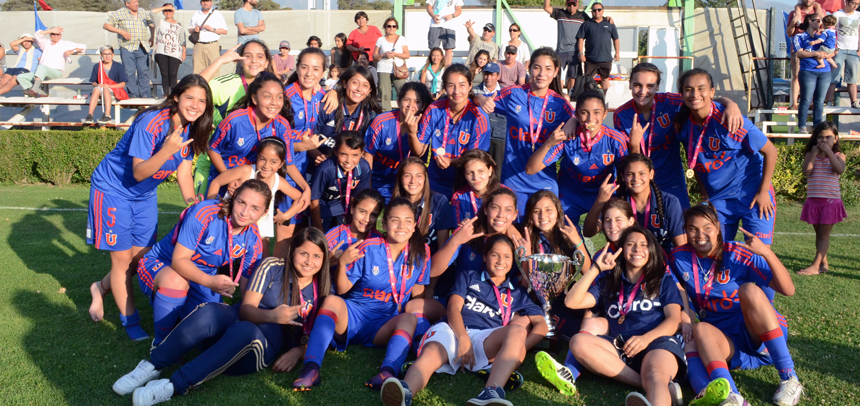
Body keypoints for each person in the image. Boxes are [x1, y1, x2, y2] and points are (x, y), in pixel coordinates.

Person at [113, 228, 331, 406]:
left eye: (316, 256)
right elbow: (246, 309)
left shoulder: (322, 291)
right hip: (238, 320)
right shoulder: (273, 267)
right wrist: (274, 315)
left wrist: (298, 351)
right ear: (292, 252)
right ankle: (152, 365)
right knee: (211, 309)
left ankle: (173, 385)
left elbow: (323, 336)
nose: (309, 261)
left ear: (324, 259)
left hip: (257, 347)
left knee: (245, 331)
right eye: (303, 253)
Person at [86, 75, 213, 341]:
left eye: (202, 101)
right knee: (121, 260)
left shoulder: (189, 128)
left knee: (140, 258)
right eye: (189, 97)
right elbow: (140, 171)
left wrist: (192, 205)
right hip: (113, 191)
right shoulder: (151, 122)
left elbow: (183, 172)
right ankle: (130, 321)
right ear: (176, 96)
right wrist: (167, 149)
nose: (196, 105)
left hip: (143, 196)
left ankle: (99, 287)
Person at [382, 234, 548, 406]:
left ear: (513, 261)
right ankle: (405, 392)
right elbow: (453, 308)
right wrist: (462, 337)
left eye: (507, 256)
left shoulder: (517, 293)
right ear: (484, 256)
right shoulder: (469, 276)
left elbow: (541, 325)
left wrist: (518, 349)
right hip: (453, 330)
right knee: (431, 353)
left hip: (485, 340)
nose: (500, 261)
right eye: (494, 255)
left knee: (518, 330)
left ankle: (490, 393)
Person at [292, 197, 432, 391]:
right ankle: (311, 368)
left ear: (415, 225)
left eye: (408, 220)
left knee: (408, 318)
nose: (402, 226)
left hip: (384, 323)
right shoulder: (368, 247)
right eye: (394, 220)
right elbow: (342, 290)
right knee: (332, 300)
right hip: (354, 316)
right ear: (384, 223)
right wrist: (341, 264)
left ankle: (387, 372)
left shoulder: (422, 253)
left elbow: (418, 293)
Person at [670, 203, 802, 406]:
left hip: (759, 335)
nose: (700, 234)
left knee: (749, 290)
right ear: (685, 231)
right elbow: (677, 288)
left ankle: (789, 377)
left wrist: (766, 253)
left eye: (707, 227)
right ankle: (733, 397)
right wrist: (686, 316)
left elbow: (789, 289)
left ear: (717, 228)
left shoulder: (737, 252)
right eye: (692, 229)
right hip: (726, 343)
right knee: (700, 328)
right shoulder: (680, 257)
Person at [548, 226, 685, 406]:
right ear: (621, 249)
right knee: (578, 341)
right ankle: (647, 384)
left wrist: (645, 339)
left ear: (651, 250)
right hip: (620, 346)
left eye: (644, 245)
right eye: (630, 244)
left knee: (654, 374)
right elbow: (572, 302)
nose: (637, 249)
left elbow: (674, 319)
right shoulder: (609, 282)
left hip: (657, 342)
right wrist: (596, 268)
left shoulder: (662, 280)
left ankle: (655, 386)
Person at [135, 180, 266, 347]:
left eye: (255, 208)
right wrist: (210, 282)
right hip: (164, 263)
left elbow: (247, 288)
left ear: (264, 212)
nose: (245, 212)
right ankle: (161, 344)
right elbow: (179, 261)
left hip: (203, 275)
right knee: (176, 282)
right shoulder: (205, 212)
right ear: (234, 197)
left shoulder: (253, 238)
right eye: (241, 202)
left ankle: (176, 313)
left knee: (213, 327)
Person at [612, 62, 744, 208]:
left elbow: (700, 100)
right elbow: (629, 162)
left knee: (680, 226)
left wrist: (730, 103)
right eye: (637, 85)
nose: (643, 91)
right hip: (640, 182)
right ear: (629, 84)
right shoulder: (621, 114)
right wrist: (635, 145)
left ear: (657, 86)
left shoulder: (671, 102)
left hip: (672, 180)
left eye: (650, 86)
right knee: (642, 227)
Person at [673, 69, 779, 245]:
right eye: (689, 89)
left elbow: (771, 151)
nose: (695, 94)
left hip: (752, 193)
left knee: (759, 254)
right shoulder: (683, 125)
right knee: (713, 252)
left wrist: (763, 191)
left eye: (701, 88)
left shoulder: (731, 118)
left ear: (712, 92)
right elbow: (695, 161)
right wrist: (705, 194)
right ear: (682, 93)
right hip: (719, 199)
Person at [478, 47, 573, 218]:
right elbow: (479, 98)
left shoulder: (560, 104)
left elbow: (580, 118)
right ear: (529, 69)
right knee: (513, 235)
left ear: (556, 71)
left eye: (548, 68)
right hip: (513, 179)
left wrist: (573, 119)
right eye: (537, 67)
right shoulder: (513, 93)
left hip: (545, 181)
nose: (542, 73)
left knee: (545, 237)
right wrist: (481, 99)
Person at [526, 90, 628, 224]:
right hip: (570, 196)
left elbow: (626, 173)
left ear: (604, 114)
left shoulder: (615, 140)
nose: (591, 119)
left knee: (612, 227)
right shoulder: (568, 136)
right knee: (563, 234)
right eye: (585, 112)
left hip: (601, 195)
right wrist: (548, 144)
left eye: (596, 112)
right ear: (577, 114)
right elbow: (530, 169)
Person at [194, 40, 278, 194]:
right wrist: (220, 61)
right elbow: (193, 87)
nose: (253, 60)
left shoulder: (274, 90)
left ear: (266, 62)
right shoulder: (227, 85)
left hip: (253, 169)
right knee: (201, 213)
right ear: (239, 60)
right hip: (214, 163)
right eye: (248, 56)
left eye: (259, 56)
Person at [207, 137, 305, 258]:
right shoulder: (246, 171)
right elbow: (216, 182)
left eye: (273, 162)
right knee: (223, 256)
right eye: (262, 159)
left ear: (281, 164)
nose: (266, 165)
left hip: (260, 229)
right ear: (257, 157)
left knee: (261, 259)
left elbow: (300, 198)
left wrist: (285, 216)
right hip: (234, 222)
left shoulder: (278, 181)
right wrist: (209, 212)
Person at [206, 71, 298, 197]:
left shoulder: (282, 126)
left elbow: (289, 161)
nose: (274, 102)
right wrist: (229, 178)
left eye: (279, 97)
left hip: (254, 190)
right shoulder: (235, 120)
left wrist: (305, 188)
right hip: (223, 183)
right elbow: (212, 149)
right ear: (254, 98)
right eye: (267, 96)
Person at [283, 47, 336, 257]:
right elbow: (276, 138)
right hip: (286, 167)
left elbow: (321, 133)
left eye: (316, 69)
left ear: (323, 72)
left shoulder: (324, 96)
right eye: (304, 67)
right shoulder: (285, 96)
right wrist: (301, 146)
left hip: (310, 167)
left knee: (304, 227)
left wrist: (335, 92)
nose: (309, 73)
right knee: (285, 230)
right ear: (296, 68)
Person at [431, 188, 521, 307]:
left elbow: (525, 286)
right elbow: (433, 270)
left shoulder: (518, 243)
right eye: (495, 208)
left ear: (515, 214)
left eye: (508, 210)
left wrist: (524, 254)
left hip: (500, 309)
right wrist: (455, 241)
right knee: (414, 307)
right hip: (462, 303)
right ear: (485, 209)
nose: (501, 214)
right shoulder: (468, 233)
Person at [582, 154, 686, 256]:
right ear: (623, 177)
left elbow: (681, 247)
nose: (636, 178)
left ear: (651, 174)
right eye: (630, 174)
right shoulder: (616, 201)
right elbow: (588, 232)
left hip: (661, 263)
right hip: (627, 262)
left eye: (642, 173)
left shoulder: (669, 202)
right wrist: (599, 202)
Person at [416, 64, 491, 199]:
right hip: (435, 181)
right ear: (444, 87)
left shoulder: (479, 117)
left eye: (462, 85)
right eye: (451, 85)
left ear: (470, 86)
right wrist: (411, 132)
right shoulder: (434, 110)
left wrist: (451, 162)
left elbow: (475, 160)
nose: (456, 91)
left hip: (467, 182)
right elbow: (420, 149)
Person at [364, 82, 432, 201]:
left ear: (422, 106)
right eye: (406, 100)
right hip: (377, 181)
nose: (411, 105)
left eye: (417, 102)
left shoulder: (425, 125)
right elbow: (368, 155)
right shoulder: (381, 122)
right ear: (399, 101)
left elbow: (418, 153)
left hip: (406, 184)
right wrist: (367, 189)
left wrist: (412, 133)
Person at [798, 121, 847, 275]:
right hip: (813, 201)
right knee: (819, 234)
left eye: (828, 137)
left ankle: (815, 266)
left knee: (824, 234)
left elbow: (839, 169)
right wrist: (813, 154)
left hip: (830, 202)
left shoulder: (840, 155)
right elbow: (807, 172)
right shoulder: (810, 154)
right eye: (820, 137)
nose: (824, 141)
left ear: (836, 139)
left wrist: (829, 152)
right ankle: (823, 262)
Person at [313, 66, 381, 161]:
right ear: (345, 84)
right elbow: (308, 138)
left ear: (369, 91)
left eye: (365, 85)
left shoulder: (367, 113)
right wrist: (321, 158)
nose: (359, 89)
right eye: (355, 83)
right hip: (318, 164)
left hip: (347, 164)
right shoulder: (328, 105)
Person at [391, 157, 457, 255]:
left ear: (425, 178)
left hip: (432, 263)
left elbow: (442, 248)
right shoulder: (395, 205)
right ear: (400, 178)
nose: (413, 181)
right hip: (402, 262)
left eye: (418, 176)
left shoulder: (439, 202)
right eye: (407, 175)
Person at [310, 132, 372, 230]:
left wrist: (353, 222)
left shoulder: (364, 168)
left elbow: (357, 198)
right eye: (343, 154)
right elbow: (314, 201)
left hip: (343, 205)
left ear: (362, 153)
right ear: (335, 152)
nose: (349, 160)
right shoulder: (326, 169)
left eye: (355, 155)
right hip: (322, 205)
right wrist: (319, 230)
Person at [104, 1, 162, 99]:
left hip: (142, 46)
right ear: (127, 4)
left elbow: (151, 24)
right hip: (127, 47)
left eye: (137, 1)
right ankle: (133, 95)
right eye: (134, 2)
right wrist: (120, 31)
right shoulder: (120, 13)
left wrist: (152, 36)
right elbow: (106, 25)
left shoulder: (143, 12)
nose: (136, 4)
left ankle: (144, 94)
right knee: (129, 72)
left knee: (143, 71)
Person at [17, 27, 86, 98]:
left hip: (55, 72)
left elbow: (83, 46)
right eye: (53, 34)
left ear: (61, 35)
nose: (55, 36)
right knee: (21, 77)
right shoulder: (46, 43)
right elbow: (37, 35)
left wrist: (72, 51)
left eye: (57, 34)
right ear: (50, 35)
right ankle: (42, 93)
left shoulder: (65, 44)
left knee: (41, 67)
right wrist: (50, 30)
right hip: (42, 72)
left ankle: (33, 91)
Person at [325, 188, 385, 269]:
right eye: (362, 211)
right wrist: (327, 263)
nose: (367, 219)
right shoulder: (335, 235)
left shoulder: (379, 239)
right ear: (352, 209)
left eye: (373, 215)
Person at [794, 14, 835, 132]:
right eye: (818, 21)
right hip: (808, 71)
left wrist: (827, 55)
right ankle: (802, 126)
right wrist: (815, 54)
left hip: (825, 72)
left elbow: (833, 50)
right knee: (806, 99)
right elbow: (799, 53)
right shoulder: (800, 36)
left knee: (819, 101)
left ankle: (817, 128)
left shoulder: (822, 35)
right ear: (810, 21)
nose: (821, 23)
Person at [543, 0, 591, 95]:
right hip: (561, 51)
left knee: (572, 77)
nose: (572, 6)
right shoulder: (560, 13)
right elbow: (546, 7)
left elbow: (595, 22)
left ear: (577, 5)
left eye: (574, 4)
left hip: (575, 52)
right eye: (569, 4)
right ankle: (557, 97)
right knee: (557, 75)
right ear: (566, 4)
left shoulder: (583, 16)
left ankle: (570, 97)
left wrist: (607, 19)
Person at [450, 149, 505, 224]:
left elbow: (511, 226)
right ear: (464, 175)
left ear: (490, 171)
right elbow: (456, 231)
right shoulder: (458, 197)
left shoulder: (504, 193)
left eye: (481, 171)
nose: (475, 177)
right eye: (470, 173)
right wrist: (462, 228)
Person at [787, 0, 824, 109]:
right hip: (798, 48)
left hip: (814, 49)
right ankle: (794, 103)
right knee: (796, 75)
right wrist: (794, 21)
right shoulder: (794, 13)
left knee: (814, 75)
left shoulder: (820, 12)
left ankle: (812, 103)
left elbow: (824, 30)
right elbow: (789, 33)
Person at [576, 2, 619, 95]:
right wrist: (581, 53)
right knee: (588, 82)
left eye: (599, 10)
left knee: (605, 80)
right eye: (594, 10)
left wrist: (617, 53)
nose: (597, 12)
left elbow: (616, 39)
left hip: (605, 59)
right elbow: (580, 39)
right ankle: (589, 100)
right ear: (592, 12)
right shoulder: (586, 24)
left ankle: (606, 101)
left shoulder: (610, 23)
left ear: (603, 11)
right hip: (590, 59)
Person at [826, 0, 860, 107]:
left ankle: (854, 102)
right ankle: (829, 101)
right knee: (834, 77)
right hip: (840, 49)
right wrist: (834, 48)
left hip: (853, 50)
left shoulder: (858, 15)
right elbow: (831, 30)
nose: (855, 6)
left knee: (852, 78)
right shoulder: (837, 14)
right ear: (846, 2)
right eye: (853, 3)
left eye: (858, 4)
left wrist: (859, 50)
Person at [84, 45, 129, 125]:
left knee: (106, 90)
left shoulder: (119, 66)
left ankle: (107, 115)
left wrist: (109, 86)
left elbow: (122, 84)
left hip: (114, 91)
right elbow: (93, 82)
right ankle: (90, 115)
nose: (107, 56)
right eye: (105, 54)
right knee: (96, 89)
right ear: (101, 55)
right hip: (100, 91)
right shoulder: (97, 66)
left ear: (113, 55)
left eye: (109, 54)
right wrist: (98, 85)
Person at [374, 17, 410, 112]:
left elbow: (407, 55)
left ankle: (405, 112)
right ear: (385, 27)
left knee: (402, 92)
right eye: (389, 26)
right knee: (384, 94)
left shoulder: (401, 39)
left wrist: (395, 54)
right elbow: (374, 56)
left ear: (396, 27)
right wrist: (383, 54)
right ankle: (387, 116)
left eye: (394, 26)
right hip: (383, 68)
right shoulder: (380, 39)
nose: (391, 28)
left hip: (398, 68)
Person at [153, 3, 187, 99]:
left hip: (174, 52)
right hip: (161, 51)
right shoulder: (160, 21)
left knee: (172, 74)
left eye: (170, 10)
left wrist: (183, 51)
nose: (168, 12)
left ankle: (173, 95)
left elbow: (182, 38)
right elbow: (151, 13)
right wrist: (164, 7)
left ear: (173, 11)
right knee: (164, 73)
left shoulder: (178, 24)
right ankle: (165, 95)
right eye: (166, 10)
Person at [188, 0, 228, 75]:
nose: (205, 3)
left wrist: (212, 29)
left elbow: (225, 31)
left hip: (212, 45)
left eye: (207, 1)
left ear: (211, 2)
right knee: (197, 71)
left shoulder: (217, 14)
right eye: (203, 1)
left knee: (214, 69)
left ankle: (213, 87)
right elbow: (190, 29)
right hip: (198, 45)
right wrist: (194, 29)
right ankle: (199, 86)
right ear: (200, 3)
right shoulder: (196, 14)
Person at [427, 0, 463, 67]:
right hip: (435, 25)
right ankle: (434, 71)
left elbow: (459, 10)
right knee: (433, 49)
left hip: (449, 26)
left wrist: (452, 16)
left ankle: (446, 72)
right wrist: (433, 16)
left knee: (448, 49)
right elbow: (429, 7)